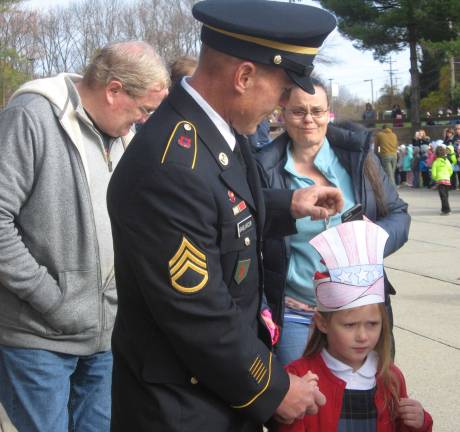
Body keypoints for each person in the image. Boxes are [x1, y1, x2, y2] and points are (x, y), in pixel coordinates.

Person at [107, 2, 341, 431]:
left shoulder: (218, 134)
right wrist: (274, 390)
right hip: (182, 408)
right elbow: (198, 313)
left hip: (216, 393)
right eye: (284, 90)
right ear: (244, 76)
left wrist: (287, 205)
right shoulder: (169, 166)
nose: (283, 104)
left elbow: (220, 211)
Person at [0, 41, 170, 432]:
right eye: (144, 109)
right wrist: (52, 299)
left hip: (107, 338)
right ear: (113, 90)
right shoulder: (32, 116)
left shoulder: (125, 138)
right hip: (38, 338)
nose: (144, 120)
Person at [255, 79, 410, 366]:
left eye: (317, 111)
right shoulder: (262, 168)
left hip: (360, 314)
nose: (309, 120)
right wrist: (288, 205)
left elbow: (399, 214)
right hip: (298, 313)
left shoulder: (358, 159)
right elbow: (248, 227)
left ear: (329, 113)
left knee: (367, 404)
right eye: (299, 111)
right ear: (282, 113)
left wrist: (372, 237)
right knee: (305, 406)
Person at [274, 220, 433, 432]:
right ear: (322, 323)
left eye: (372, 324)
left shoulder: (390, 377)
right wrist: (293, 417)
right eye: (349, 325)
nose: (363, 336)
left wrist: (419, 423)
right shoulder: (300, 376)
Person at [431, 145, 453, 215]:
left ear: (436, 154)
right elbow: (450, 170)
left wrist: (436, 178)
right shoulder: (447, 161)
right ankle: (444, 209)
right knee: (445, 196)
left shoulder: (436, 162)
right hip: (447, 180)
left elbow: (433, 173)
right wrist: (447, 176)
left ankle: (447, 210)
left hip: (440, 181)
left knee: (443, 196)